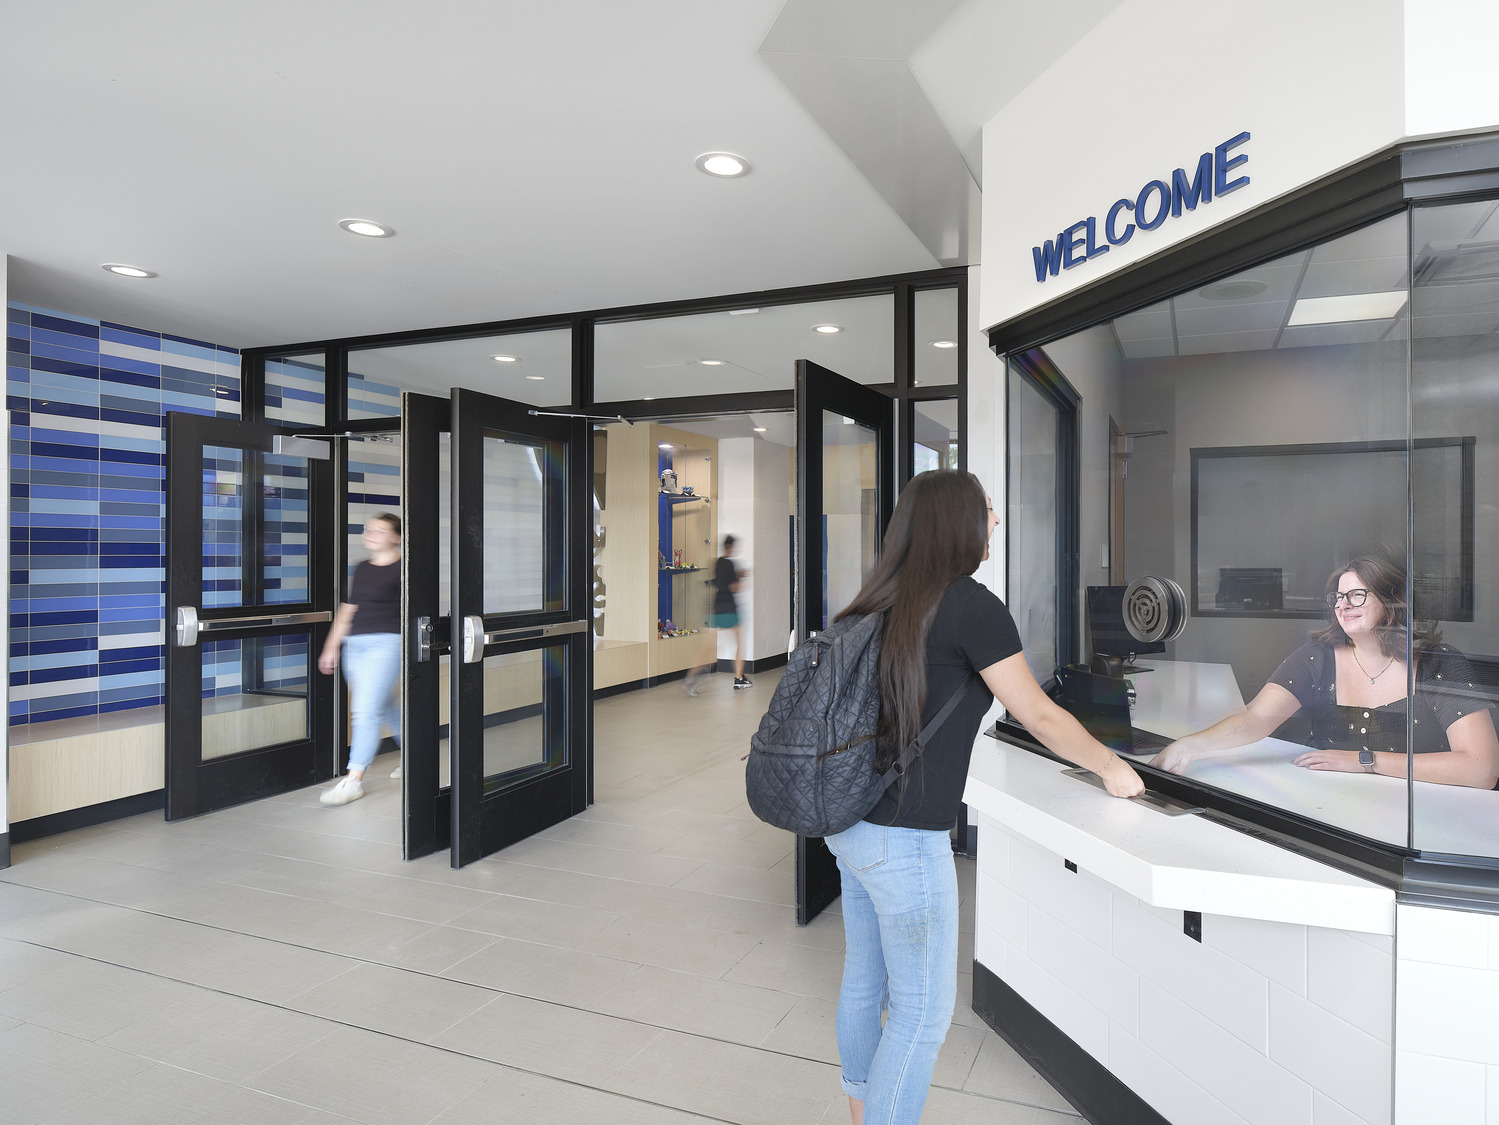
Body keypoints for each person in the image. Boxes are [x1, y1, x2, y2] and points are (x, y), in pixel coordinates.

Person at [824, 470, 1144, 1125]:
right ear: (959, 524)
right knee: (921, 1011)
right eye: (988, 511)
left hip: (847, 820)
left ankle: (860, 1111)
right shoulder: (968, 605)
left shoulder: (875, 598)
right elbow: (1038, 712)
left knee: (864, 978)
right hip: (903, 839)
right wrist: (1112, 766)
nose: (994, 521)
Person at [1151, 555, 1499, 788]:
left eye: (1357, 595)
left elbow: (1482, 769)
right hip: (1330, 808)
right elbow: (1255, 719)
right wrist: (1189, 746)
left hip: (1427, 816)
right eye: (1337, 597)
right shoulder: (1318, 656)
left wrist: (1365, 761)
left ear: (1394, 601)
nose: (1343, 605)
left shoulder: (1439, 663)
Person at [317, 513, 404, 806]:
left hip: (386, 644)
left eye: (380, 530)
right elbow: (346, 611)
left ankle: (354, 780)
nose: (372, 533)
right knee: (385, 705)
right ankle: (417, 757)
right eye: (369, 529)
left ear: (396, 537)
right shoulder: (362, 568)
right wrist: (332, 647)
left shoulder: (405, 569)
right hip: (354, 647)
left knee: (365, 711)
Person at [712, 534, 751, 689]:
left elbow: (719, 581)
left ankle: (693, 676)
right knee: (739, 643)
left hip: (717, 606)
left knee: (717, 644)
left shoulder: (718, 562)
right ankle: (739, 678)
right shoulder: (730, 564)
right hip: (729, 608)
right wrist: (742, 577)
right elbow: (735, 587)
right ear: (732, 547)